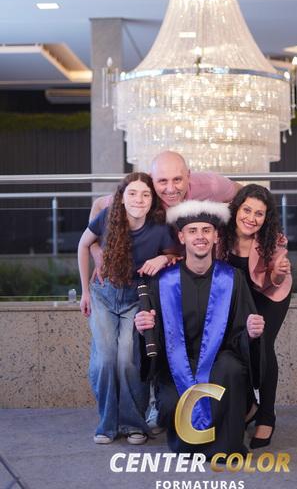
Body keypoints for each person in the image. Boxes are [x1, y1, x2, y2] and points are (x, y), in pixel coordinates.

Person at [134, 200, 265, 457]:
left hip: (218, 364)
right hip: (176, 368)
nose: (200, 237)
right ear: (182, 237)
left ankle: (226, 447)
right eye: (192, 231)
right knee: (172, 405)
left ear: (216, 236)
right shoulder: (163, 282)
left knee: (231, 369)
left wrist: (250, 334)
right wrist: (142, 329)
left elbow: (239, 335)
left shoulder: (232, 279)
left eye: (206, 230)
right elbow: (154, 341)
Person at [78, 172, 177, 445]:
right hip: (104, 295)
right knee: (105, 359)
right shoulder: (108, 217)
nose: (139, 200)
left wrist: (163, 258)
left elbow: (174, 255)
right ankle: (107, 424)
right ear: (122, 197)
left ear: (152, 200)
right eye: (132, 193)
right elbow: (83, 244)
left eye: (145, 194)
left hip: (136, 298)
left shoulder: (159, 228)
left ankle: (134, 423)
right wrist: (85, 291)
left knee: (127, 360)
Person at [218, 184, 292, 450]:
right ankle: (250, 405)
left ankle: (266, 416)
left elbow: (274, 279)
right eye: (246, 210)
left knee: (262, 344)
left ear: (266, 218)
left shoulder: (273, 240)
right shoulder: (220, 232)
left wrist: (279, 272)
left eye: (259, 214)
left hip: (269, 294)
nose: (251, 218)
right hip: (238, 296)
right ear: (236, 208)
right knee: (235, 346)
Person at [89, 150, 241, 219]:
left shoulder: (211, 184)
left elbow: (245, 193)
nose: (171, 189)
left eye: (177, 180)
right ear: (151, 178)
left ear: (188, 175)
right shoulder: (141, 193)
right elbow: (98, 205)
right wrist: (97, 250)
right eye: (162, 181)